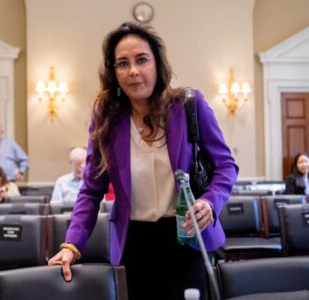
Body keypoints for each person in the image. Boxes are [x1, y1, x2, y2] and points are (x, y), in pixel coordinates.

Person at [47, 22, 238, 300]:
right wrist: (71, 245)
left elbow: (226, 167)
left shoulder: (189, 105)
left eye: (142, 60)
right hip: (133, 244)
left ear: (157, 64)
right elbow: (90, 189)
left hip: (187, 237)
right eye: (122, 63)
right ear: (113, 72)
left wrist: (209, 201)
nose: (133, 71)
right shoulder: (106, 117)